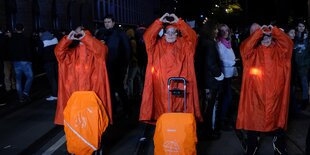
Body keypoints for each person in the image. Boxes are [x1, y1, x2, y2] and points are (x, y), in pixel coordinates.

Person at [236, 23, 293, 155]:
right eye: (263, 37)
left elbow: (288, 44)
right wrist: (259, 33)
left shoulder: (280, 51)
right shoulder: (251, 53)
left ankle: (279, 145)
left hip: (276, 95)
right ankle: (252, 145)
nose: (266, 39)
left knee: (278, 121)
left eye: (268, 36)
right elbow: (245, 47)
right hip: (255, 95)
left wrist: (276, 31)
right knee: (254, 122)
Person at [139, 13, 203, 123]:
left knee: (179, 116)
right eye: (168, 32)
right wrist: (159, 21)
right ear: (163, 34)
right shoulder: (156, 46)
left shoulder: (185, 45)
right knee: (163, 114)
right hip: (162, 86)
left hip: (180, 85)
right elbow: (148, 37)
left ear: (177, 33)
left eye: (173, 32)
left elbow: (192, 36)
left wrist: (179, 22)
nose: (171, 35)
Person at [54, 26, 112, 125]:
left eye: (82, 33)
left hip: (92, 96)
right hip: (75, 97)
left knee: (92, 125)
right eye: (78, 34)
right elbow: (58, 52)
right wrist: (67, 39)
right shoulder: (71, 54)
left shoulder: (98, 53)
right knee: (77, 125)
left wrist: (86, 38)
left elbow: (101, 50)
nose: (79, 36)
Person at [95, 15, 131, 119]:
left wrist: (125, 65)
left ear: (113, 22)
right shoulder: (100, 33)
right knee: (109, 89)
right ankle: (113, 110)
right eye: (105, 22)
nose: (107, 24)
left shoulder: (120, 34)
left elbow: (127, 49)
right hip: (105, 66)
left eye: (109, 22)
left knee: (119, 88)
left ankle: (127, 109)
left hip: (118, 66)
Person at [195, 19, 224, 139]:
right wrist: (219, 75)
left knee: (204, 107)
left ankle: (204, 130)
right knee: (210, 108)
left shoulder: (201, 41)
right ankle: (209, 132)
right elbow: (211, 63)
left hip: (203, 80)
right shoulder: (210, 43)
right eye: (215, 28)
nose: (217, 31)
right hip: (211, 81)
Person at [217, 23, 238, 130]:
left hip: (229, 74)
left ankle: (223, 119)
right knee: (226, 98)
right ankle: (222, 121)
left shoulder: (227, 43)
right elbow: (221, 60)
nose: (226, 33)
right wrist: (232, 63)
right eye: (223, 31)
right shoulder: (219, 44)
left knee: (228, 97)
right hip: (224, 75)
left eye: (227, 30)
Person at [8, 24, 33, 103]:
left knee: (18, 80)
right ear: (23, 29)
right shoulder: (25, 38)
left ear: (15, 29)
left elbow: (10, 50)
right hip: (25, 61)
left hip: (16, 61)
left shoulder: (11, 39)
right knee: (30, 77)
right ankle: (25, 92)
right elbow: (28, 50)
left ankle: (20, 97)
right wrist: (30, 60)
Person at [38, 29, 58, 101]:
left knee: (51, 78)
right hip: (56, 61)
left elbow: (40, 52)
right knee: (57, 77)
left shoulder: (42, 41)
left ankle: (54, 95)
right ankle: (59, 93)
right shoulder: (55, 39)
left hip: (47, 62)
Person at [293, 20, 310, 110]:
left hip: (304, 65)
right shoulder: (294, 36)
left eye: (303, 26)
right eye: (299, 26)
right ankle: (295, 101)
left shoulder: (307, 38)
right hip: (295, 64)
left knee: (304, 82)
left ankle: (305, 100)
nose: (301, 28)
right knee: (296, 83)